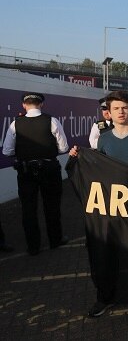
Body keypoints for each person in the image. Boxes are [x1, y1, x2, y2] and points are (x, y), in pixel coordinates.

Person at [69, 91, 128, 317]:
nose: (121, 112)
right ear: (108, 113)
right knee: (107, 254)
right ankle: (105, 298)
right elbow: (97, 169)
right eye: (116, 108)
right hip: (109, 205)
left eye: (124, 107)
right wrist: (77, 157)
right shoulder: (104, 138)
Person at [2, 92, 69, 256]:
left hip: (26, 171)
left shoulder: (15, 124)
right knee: (52, 206)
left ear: (24, 105)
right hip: (49, 169)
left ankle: (33, 246)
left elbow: (7, 150)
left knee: (28, 209)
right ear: (41, 104)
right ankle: (55, 240)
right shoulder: (52, 120)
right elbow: (64, 148)